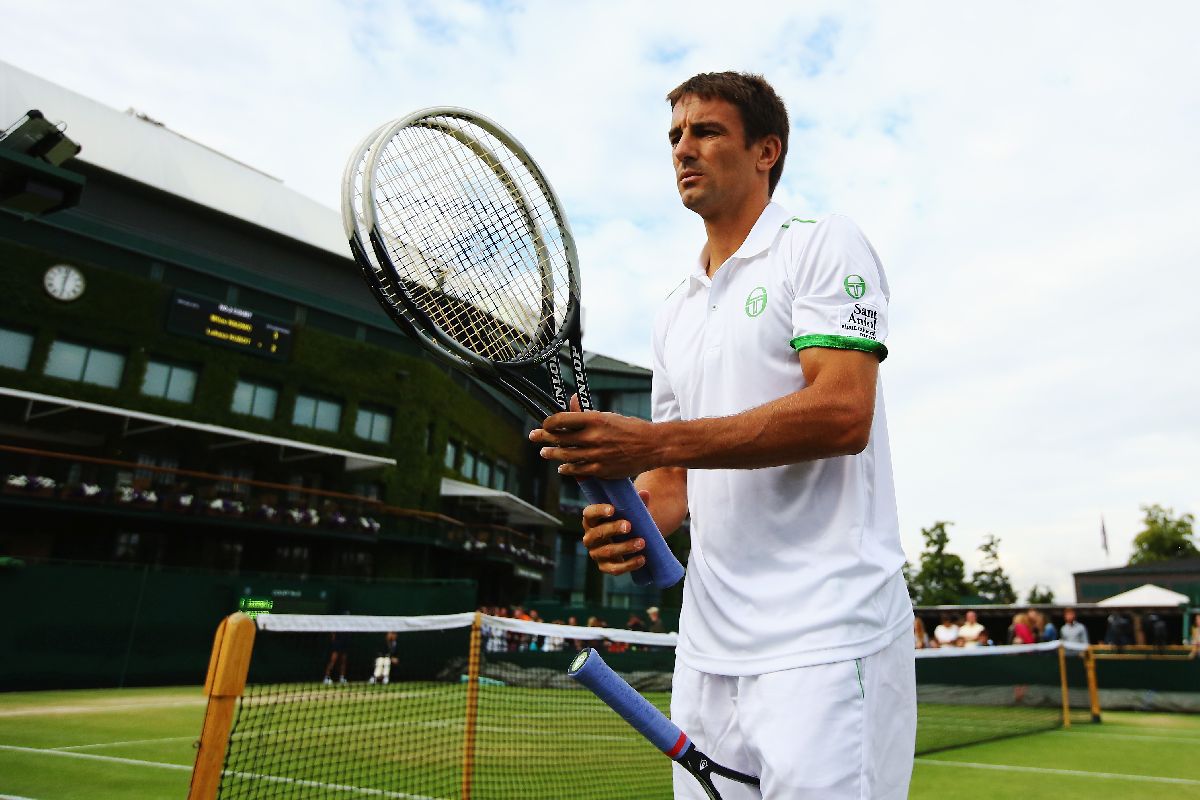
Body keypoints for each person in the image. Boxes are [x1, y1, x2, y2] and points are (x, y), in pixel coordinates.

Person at [531, 71, 915, 798]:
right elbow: (670, 485)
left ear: (766, 150)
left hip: (828, 639)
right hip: (708, 654)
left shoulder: (822, 244)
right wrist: (630, 521)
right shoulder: (674, 310)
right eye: (675, 136)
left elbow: (843, 413)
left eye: (706, 131)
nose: (684, 149)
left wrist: (648, 444)